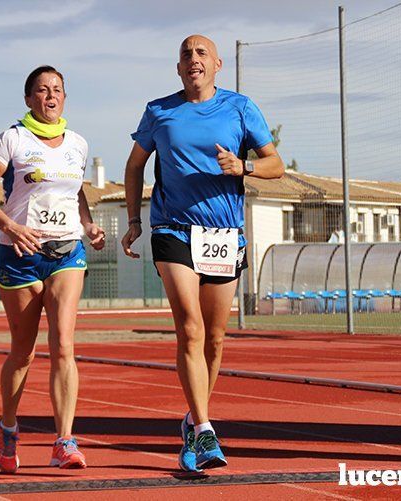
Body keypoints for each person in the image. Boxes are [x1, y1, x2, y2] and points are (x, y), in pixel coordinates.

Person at [121, 35, 284, 472]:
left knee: (214, 338)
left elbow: (276, 165)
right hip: (173, 231)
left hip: (224, 236)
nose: (192, 59)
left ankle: (194, 422)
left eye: (200, 54)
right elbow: (135, 165)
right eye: (185, 55)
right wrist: (135, 221)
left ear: (216, 65)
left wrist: (244, 166)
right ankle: (208, 427)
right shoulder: (160, 110)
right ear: (178, 69)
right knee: (190, 330)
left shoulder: (241, 107)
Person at [0, 65, 106, 474]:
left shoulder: (77, 145)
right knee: (23, 352)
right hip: (20, 255)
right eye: (42, 90)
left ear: (65, 98)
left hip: (67, 252)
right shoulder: (10, 140)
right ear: (28, 98)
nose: (50, 96)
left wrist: (90, 225)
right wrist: (11, 226)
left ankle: (64, 440)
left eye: (57, 90)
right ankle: (8, 427)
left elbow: (76, 193)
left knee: (63, 344)